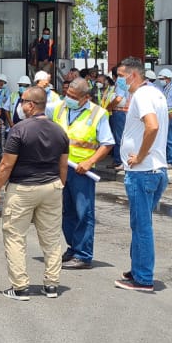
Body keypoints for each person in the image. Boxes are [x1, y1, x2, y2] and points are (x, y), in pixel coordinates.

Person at [0, 86, 68, 300]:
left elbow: (5, 165)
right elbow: (63, 165)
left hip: (22, 188)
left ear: (31, 105)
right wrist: (60, 185)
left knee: (15, 236)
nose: (20, 105)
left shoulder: (19, 130)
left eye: (23, 101)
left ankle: (20, 287)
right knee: (51, 238)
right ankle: (51, 285)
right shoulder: (59, 131)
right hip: (51, 187)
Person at [115, 57, 169, 293]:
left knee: (142, 226)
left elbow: (152, 125)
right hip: (154, 170)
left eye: (120, 76)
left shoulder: (142, 95)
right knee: (140, 223)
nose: (118, 80)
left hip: (143, 171)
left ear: (133, 75)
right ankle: (138, 267)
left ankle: (143, 277)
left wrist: (138, 156)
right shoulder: (156, 93)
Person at [53, 78, 113, 270]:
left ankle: (83, 254)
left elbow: (107, 143)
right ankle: (73, 247)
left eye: (72, 97)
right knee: (66, 211)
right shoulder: (60, 108)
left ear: (85, 97)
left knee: (83, 212)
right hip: (62, 167)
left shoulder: (98, 113)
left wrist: (90, 162)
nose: (67, 98)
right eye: (67, 94)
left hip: (82, 170)